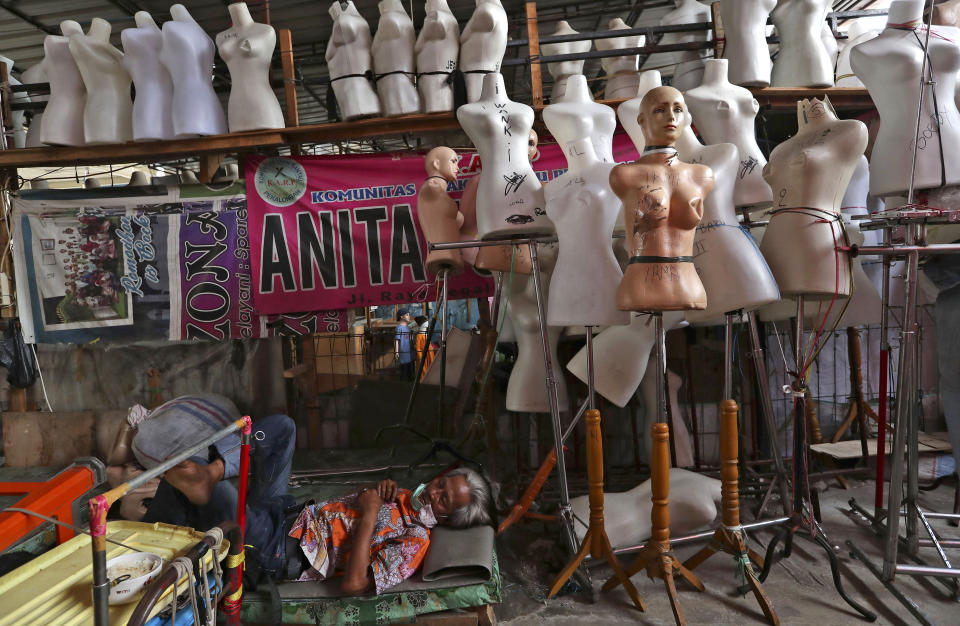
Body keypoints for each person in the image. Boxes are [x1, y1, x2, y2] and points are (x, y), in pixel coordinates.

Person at [134, 393, 296, 572]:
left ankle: (148, 549)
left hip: (272, 545)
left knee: (187, 482)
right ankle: (214, 471)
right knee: (283, 426)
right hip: (278, 509)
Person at [288, 467, 492, 594]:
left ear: (447, 521)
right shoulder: (406, 496)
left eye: (443, 499)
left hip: (294, 548)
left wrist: (370, 515)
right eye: (440, 484)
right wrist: (373, 487)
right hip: (297, 514)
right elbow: (345, 499)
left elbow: (354, 585)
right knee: (283, 427)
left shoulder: (414, 544)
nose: (432, 493)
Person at [394, 309, 414, 380]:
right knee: (404, 371)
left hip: (409, 352)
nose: (409, 316)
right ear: (401, 316)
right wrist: (396, 352)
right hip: (403, 353)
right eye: (407, 315)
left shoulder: (408, 328)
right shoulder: (399, 328)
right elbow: (396, 340)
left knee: (409, 371)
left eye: (409, 314)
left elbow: (411, 339)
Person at [413, 314, 435, 379]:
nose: (427, 323)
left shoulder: (425, 334)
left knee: (430, 367)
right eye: (425, 322)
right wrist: (420, 357)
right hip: (423, 356)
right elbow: (418, 347)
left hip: (429, 354)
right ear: (422, 324)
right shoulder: (419, 336)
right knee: (423, 368)